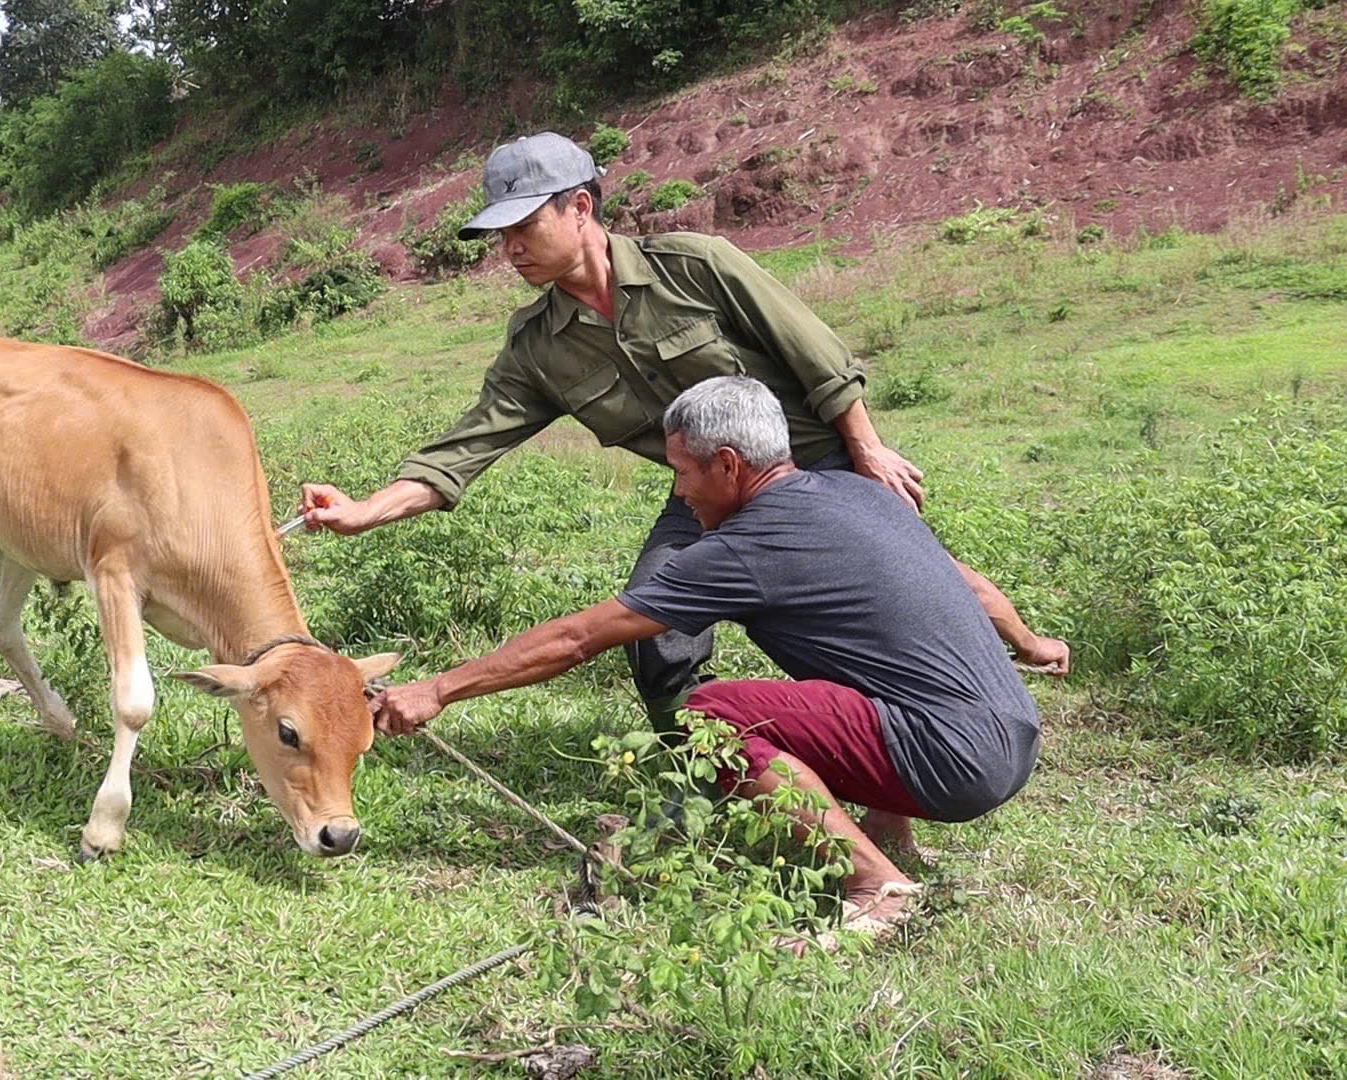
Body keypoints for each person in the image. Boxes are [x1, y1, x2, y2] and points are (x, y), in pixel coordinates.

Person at [295, 131, 1067, 741]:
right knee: (657, 633)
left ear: (580, 210)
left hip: (814, 463)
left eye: (525, 226)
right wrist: (365, 509)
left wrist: (866, 449)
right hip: (705, 496)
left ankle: (1023, 646)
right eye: (500, 236)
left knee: (910, 588)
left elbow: (815, 353)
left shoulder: (696, 266)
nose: (511, 250)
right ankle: (713, 766)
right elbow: (464, 450)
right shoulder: (538, 346)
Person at [369, 376, 1065, 939]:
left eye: (682, 471)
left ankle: (874, 882)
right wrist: (1031, 643)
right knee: (848, 662)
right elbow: (968, 584)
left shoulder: (744, 547)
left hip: (953, 762)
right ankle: (891, 832)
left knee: (715, 711)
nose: (678, 491)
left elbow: (579, 637)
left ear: (729, 464)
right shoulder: (855, 492)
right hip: (1011, 735)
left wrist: (439, 688)